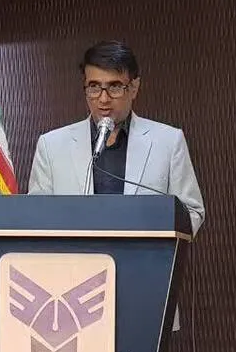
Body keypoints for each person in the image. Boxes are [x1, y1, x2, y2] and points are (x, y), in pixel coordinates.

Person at [27, 40, 205, 235]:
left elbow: (192, 212)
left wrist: (153, 235)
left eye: (114, 87)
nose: (103, 99)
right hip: (74, 254)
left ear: (134, 87)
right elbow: (36, 216)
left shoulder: (168, 141)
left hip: (143, 252)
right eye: (94, 87)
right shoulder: (51, 146)